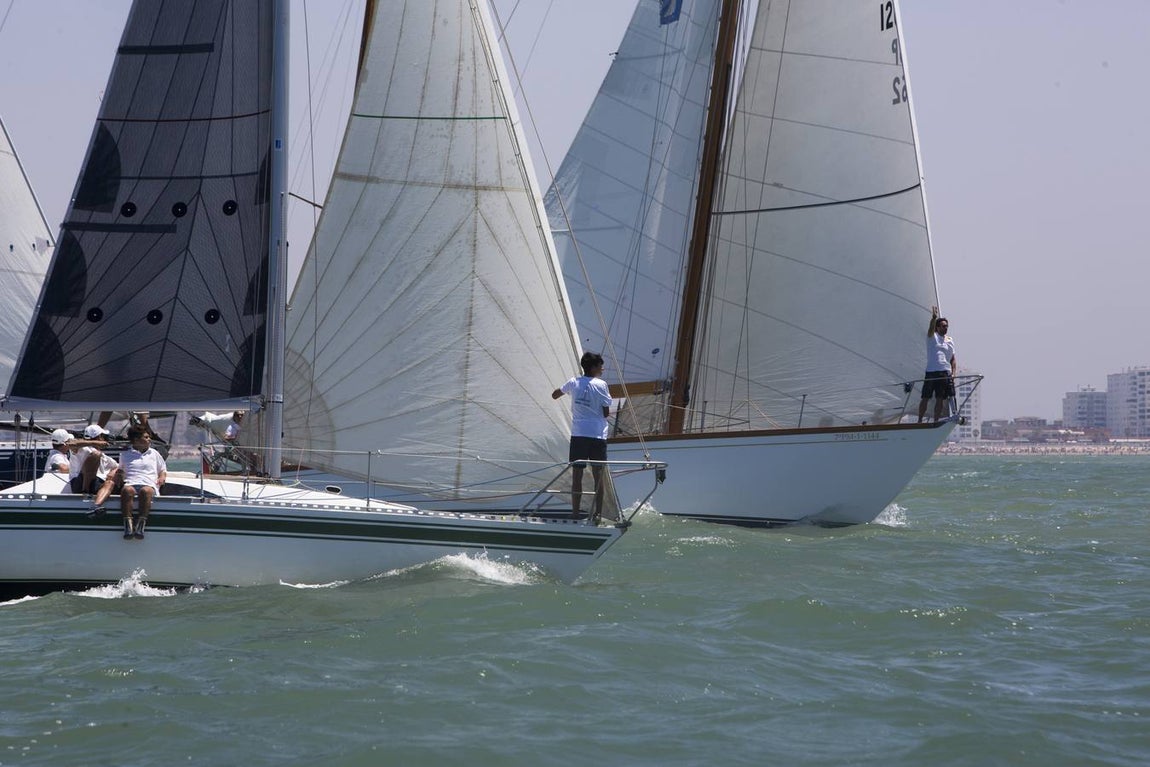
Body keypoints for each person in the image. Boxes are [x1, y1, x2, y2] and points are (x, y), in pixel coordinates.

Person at [551, 351, 612, 519]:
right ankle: (598, 514)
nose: (602, 369)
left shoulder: (573, 382)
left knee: (577, 476)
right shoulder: (602, 385)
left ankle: (575, 513)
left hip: (579, 435)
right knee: (598, 476)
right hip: (597, 435)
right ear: (593, 368)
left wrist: (570, 392)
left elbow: (555, 395)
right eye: (600, 366)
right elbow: (606, 412)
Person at [114, 425, 167, 540]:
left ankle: (140, 525)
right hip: (131, 482)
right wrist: (118, 475)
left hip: (149, 484)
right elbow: (121, 469)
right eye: (146, 437)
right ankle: (128, 525)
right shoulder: (125, 454)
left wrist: (162, 478)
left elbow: (162, 470)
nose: (149, 439)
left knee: (145, 491)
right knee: (127, 490)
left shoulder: (154, 453)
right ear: (136, 440)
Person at [918, 305, 957, 423]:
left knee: (940, 398)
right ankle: (920, 420)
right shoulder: (932, 337)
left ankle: (935, 421)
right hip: (931, 372)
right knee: (925, 397)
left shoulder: (950, 340)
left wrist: (953, 374)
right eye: (943, 326)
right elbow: (930, 329)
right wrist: (933, 318)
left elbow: (953, 359)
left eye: (947, 326)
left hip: (945, 372)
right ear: (938, 327)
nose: (946, 328)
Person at [70, 423, 117, 496]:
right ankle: (85, 491)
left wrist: (113, 472)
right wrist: (95, 443)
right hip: (79, 484)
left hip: (97, 482)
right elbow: (70, 443)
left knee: (110, 483)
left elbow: (118, 466)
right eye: (103, 436)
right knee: (96, 455)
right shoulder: (81, 449)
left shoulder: (104, 456)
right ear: (100, 437)